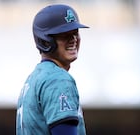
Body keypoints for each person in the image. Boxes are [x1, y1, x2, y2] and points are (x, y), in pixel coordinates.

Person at [16, 4, 89, 135]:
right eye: (65, 34)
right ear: (46, 41)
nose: (73, 39)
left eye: (75, 33)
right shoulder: (58, 79)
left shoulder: (34, 78)